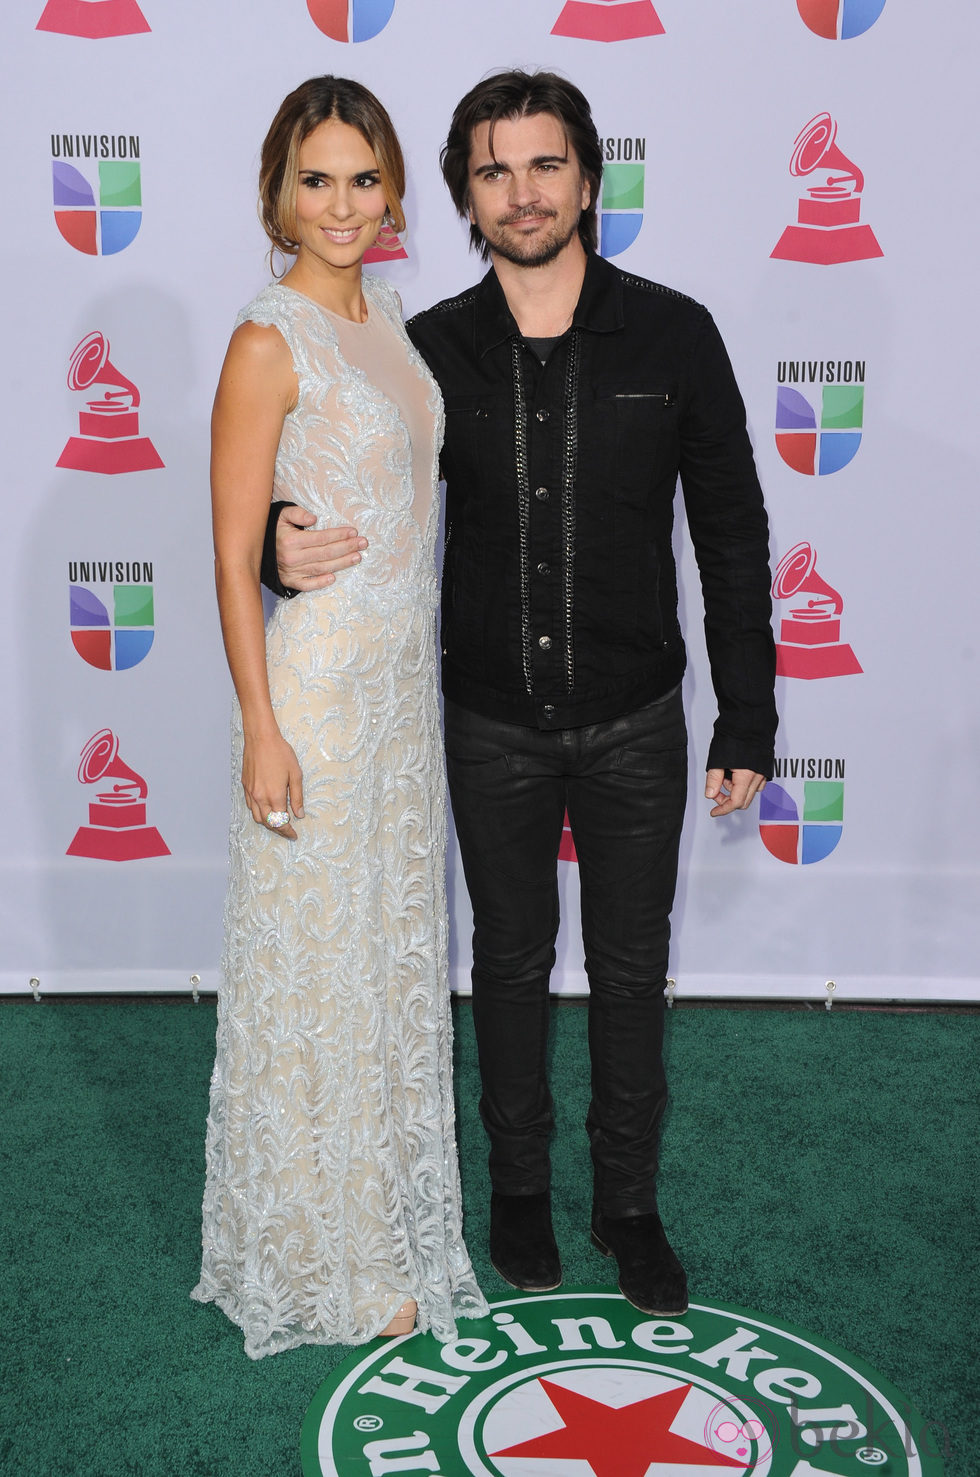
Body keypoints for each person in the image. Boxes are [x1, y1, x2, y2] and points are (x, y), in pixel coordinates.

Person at [263, 70, 777, 1319]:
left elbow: (730, 533)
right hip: (484, 718)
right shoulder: (423, 348)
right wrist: (271, 543)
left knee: (630, 964)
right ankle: (514, 1195)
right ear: (462, 198)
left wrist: (747, 712)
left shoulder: (675, 333)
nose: (522, 191)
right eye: (493, 171)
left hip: (638, 717)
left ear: (588, 181)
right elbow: (333, 468)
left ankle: (627, 1205)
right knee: (502, 957)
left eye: (543, 165)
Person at [191, 75, 486, 1359]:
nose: (342, 204)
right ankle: (323, 1251)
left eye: (363, 177)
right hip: (313, 697)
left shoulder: (395, 321)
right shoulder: (267, 340)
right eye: (315, 179)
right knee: (314, 973)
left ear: (395, 192)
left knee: (382, 966)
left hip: (399, 711)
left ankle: (387, 1222)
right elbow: (223, 549)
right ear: (275, 194)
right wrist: (261, 720)